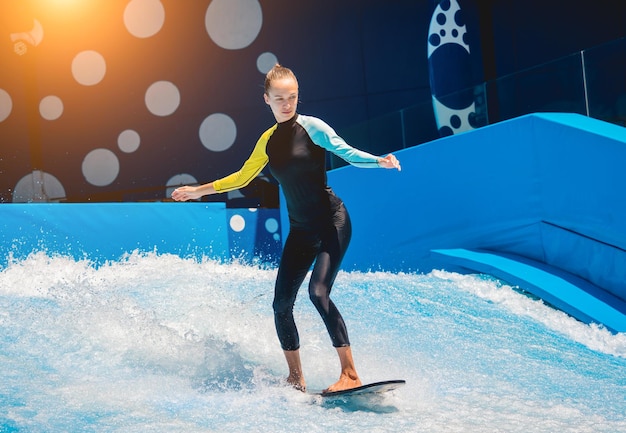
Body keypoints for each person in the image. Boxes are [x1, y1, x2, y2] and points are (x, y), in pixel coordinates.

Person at [172, 64, 401, 393]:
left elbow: (346, 152)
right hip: (301, 230)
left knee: (317, 292)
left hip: (332, 222)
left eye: (292, 97)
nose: (287, 103)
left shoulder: (313, 128)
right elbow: (241, 178)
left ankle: (350, 374)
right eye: (279, 98)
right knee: (281, 304)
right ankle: (296, 378)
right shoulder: (267, 142)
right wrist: (198, 190)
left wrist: (379, 160)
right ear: (266, 99)